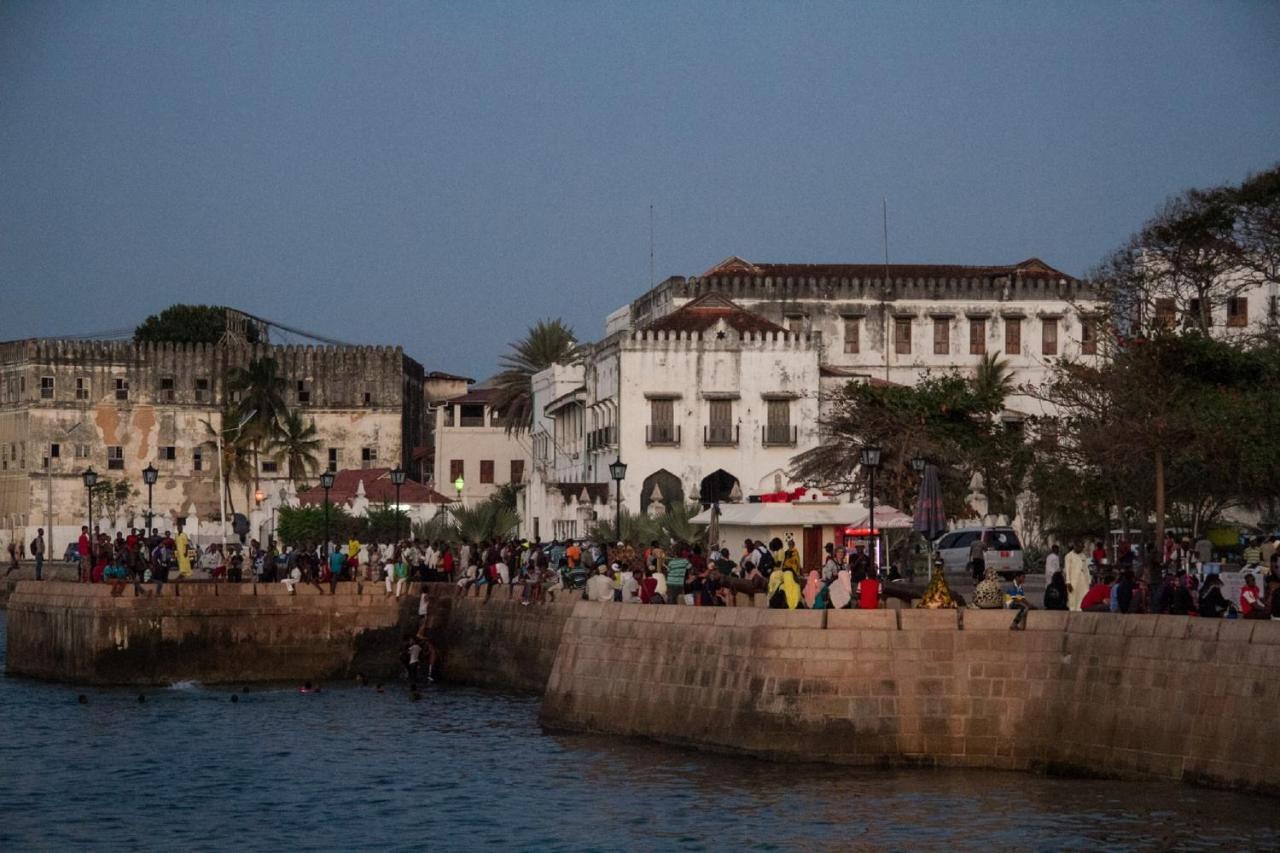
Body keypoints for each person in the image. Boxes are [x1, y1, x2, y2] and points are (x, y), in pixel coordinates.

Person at [1064, 543, 1089, 611]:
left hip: (1083, 581)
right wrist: (1068, 582)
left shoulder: (1083, 556)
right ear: (1075, 546)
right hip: (1073, 582)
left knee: (1084, 596)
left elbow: (1086, 569)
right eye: (1079, 547)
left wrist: (1089, 580)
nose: (1081, 549)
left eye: (1082, 548)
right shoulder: (1068, 556)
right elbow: (1067, 569)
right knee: (1073, 599)